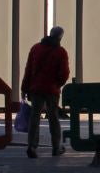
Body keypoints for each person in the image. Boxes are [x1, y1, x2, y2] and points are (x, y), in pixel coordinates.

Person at [21, 24, 71, 158]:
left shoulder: (36, 48)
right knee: (53, 117)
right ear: (60, 37)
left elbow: (28, 70)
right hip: (52, 89)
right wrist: (58, 84)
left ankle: (32, 145)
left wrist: (24, 88)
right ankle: (56, 147)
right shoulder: (61, 52)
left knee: (34, 117)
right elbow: (64, 73)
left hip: (36, 88)